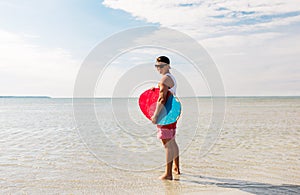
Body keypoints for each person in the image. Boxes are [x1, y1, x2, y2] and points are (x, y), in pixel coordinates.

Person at [151, 56, 180, 180]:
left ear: (168, 65)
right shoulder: (171, 78)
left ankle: (168, 174)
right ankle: (176, 168)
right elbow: (166, 92)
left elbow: (162, 99)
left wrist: (156, 115)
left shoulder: (164, 79)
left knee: (167, 144)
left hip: (165, 115)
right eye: (157, 66)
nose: (159, 68)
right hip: (172, 114)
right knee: (172, 142)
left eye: (161, 66)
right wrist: (157, 89)